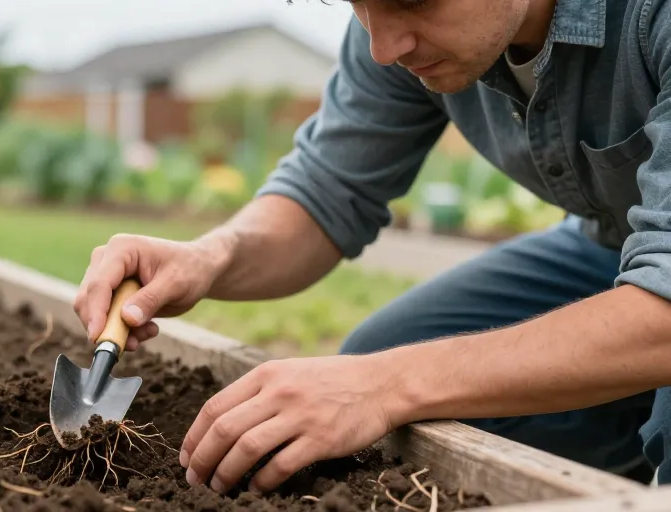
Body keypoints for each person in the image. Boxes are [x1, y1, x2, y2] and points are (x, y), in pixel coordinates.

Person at [73, 0, 671, 496]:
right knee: (382, 357)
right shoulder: (399, 27)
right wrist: (211, 254)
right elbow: (328, 189)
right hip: (611, 248)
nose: (384, 47)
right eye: (360, 7)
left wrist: (388, 385)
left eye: (412, 1)